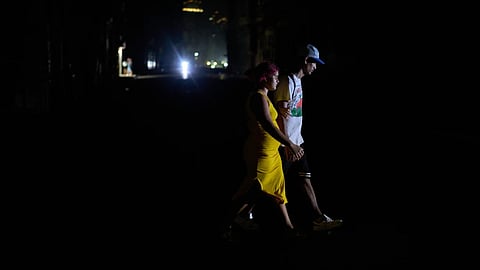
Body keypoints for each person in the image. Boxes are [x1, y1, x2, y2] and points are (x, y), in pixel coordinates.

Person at [220, 61, 304, 241]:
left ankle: (288, 227)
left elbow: (273, 120)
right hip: (260, 153)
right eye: (274, 77)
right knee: (252, 189)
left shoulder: (265, 96)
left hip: (271, 154)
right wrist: (290, 144)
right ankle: (226, 223)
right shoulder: (258, 97)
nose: (277, 80)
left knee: (278, 189)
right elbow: (268, 125)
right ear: (265, 78)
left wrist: (281, 111)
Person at [273, 44, 343, 232]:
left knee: (306, 178)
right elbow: (280, 117)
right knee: (267, 184)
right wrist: (287, 144)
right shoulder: (287, 82)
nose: (315, 67)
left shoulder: (297, 81)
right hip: (286, 144)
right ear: (305, 61)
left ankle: (318, 217)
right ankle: (243, 214)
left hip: (297, 142)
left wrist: (296, 142)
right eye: (314, 63)